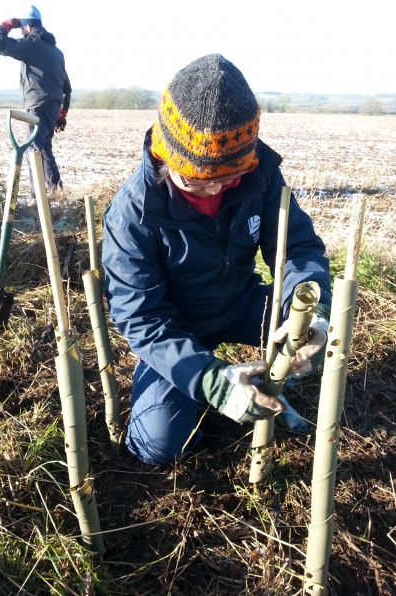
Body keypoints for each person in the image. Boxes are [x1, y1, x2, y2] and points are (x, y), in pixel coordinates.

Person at [102, 54, 331, 466]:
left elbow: (298, 247)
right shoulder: (132, 214)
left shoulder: (260, 175)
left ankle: (258, 380)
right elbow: (141, 318)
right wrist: (209, 380)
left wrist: (311, 317)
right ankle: (213, 385)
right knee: (158, 446)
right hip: (178, 325)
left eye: (228, 179)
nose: (214, 192)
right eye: (195, 180)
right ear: (166, 155)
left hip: (242, 303)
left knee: (300, 341)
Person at [0, 5, 71, 199]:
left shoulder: (31, 46)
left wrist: (7, 25)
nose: (21, 32)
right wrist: (62, 113)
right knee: (44, 149)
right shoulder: (56, 52)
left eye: (22, 28)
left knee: (32, 151)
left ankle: (38, 199)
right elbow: (66, 88)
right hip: (53, 108)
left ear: (27, 27)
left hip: (37, 107)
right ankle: (56, 192)